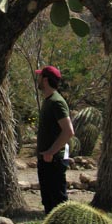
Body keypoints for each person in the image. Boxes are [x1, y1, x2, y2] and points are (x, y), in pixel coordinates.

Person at [35, 65, 74, 214]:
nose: (37, 79)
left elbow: (68, 131)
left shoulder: (56, 102)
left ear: (45, 80)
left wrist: (51, 152)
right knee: (48, 202)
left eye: (40, 77)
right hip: (46, 159)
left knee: (58, 202)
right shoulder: (48, 100)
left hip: (54, 160)